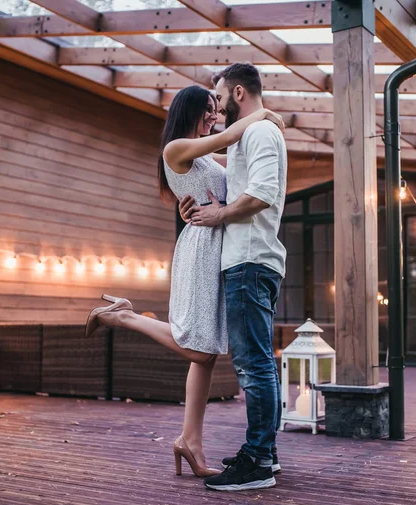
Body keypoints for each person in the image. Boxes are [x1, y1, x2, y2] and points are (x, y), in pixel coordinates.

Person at [84, 84, 284, 480]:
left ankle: (190, 441)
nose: (214, 115)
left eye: (217, 107)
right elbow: (231, 136)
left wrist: (264, 130)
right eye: (208, 109)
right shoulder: (175, 148)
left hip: (218, 244)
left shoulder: (205, 154)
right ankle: (124, 317)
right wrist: (262, 114)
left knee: (206, 353)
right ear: (190, 110)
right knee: (198, 348)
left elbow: (237, 162)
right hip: (200, 247)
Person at [179, 63, 288, 492]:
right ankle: (267, 453)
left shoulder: (260, 133)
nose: (217, 105)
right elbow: (211, 166)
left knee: (253, 364)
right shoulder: (251, 133)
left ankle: (258, 461)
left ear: (238, 91)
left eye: (220, 97)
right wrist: (194, 208)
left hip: (249, 260)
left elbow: (261, 193)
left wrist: (218, 214)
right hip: (248, 260)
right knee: (258, 362)